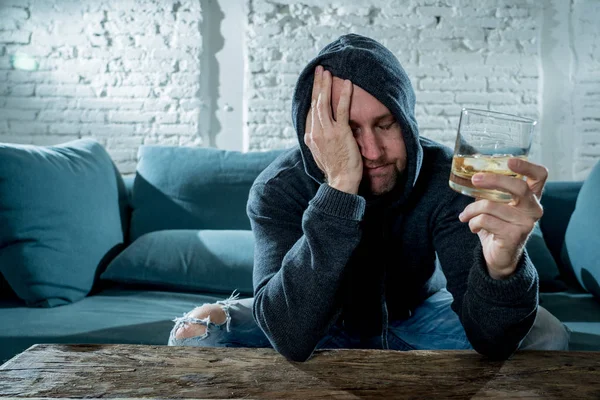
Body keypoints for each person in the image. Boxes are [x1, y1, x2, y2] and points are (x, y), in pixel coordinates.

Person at [168, 33, 570, 362]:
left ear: (408, 123)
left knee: (547, 334)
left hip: (416, 314)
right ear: (315, 133)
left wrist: (503, 269)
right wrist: (340, 184)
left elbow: (493, 338)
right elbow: (290, 336)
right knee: (194, 336)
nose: (373, 152)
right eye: (349, 130)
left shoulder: (445, 176)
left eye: (385, 124)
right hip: (314, 317)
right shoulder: (279, 188)